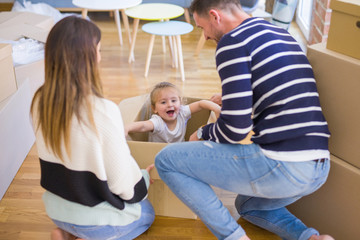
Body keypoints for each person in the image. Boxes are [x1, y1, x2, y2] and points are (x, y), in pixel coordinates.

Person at [155, 1, 334, 240]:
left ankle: (233, 237)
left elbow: (236, 130)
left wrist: (202, 133)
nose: (206, 37)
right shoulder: (280, 33)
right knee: (248, 205)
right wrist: (230, 98)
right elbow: (275, 92)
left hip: (284, 165)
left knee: (166, 160)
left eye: (202, 28)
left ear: (214, 16)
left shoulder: (232, 42)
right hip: (318, 168)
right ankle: (310, 238)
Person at [30, 16, 155, 240]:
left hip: (57, 210)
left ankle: (67, 233)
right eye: (98, 50)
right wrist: (143, 178)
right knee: (147, 214)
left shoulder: (40, 101)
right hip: (94, 220)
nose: (100, 56)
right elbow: (123, 185)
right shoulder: (102, 110)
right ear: (85, 58)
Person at [125, 81, 221, 143]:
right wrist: (127, 128)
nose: (170, 105)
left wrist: (216, 109)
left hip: (177, 153)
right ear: (154, 109)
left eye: (174, 101)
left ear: (180, 102)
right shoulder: (158, 122)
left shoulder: (182, 112)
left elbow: (201, 104)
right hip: (158, 155)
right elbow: (143, 126)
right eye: (163, 102)